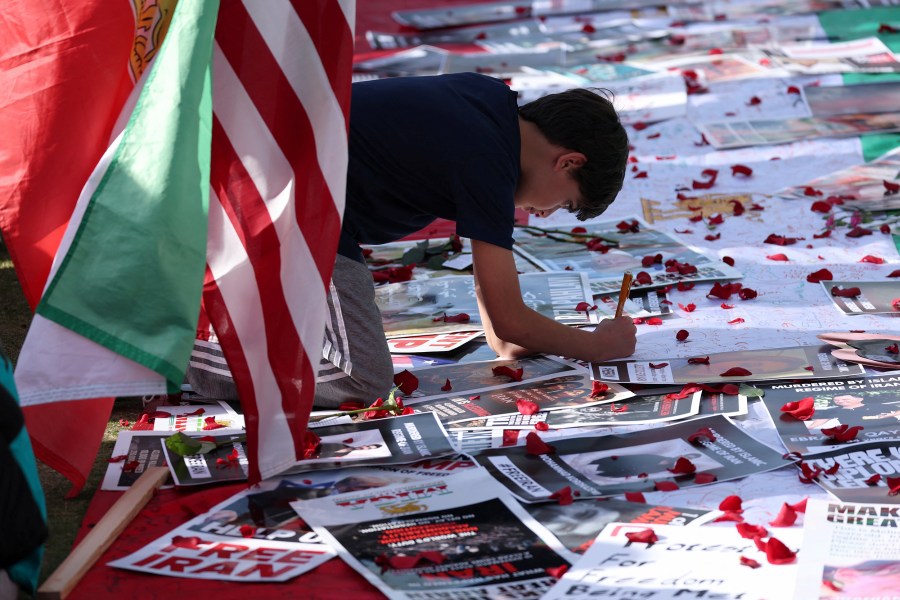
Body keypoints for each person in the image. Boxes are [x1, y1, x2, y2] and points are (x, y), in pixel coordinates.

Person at [188, 73, 636, 408]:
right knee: (362, 381)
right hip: (281, 202)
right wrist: (597, 346)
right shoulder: (488, 160)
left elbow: (504, 339)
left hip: (277, 188)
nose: (544, 212)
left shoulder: (493, 110)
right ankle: (174, 353)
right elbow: (510, 323)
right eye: (564, 203)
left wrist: (538, 337)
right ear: (568, 163)